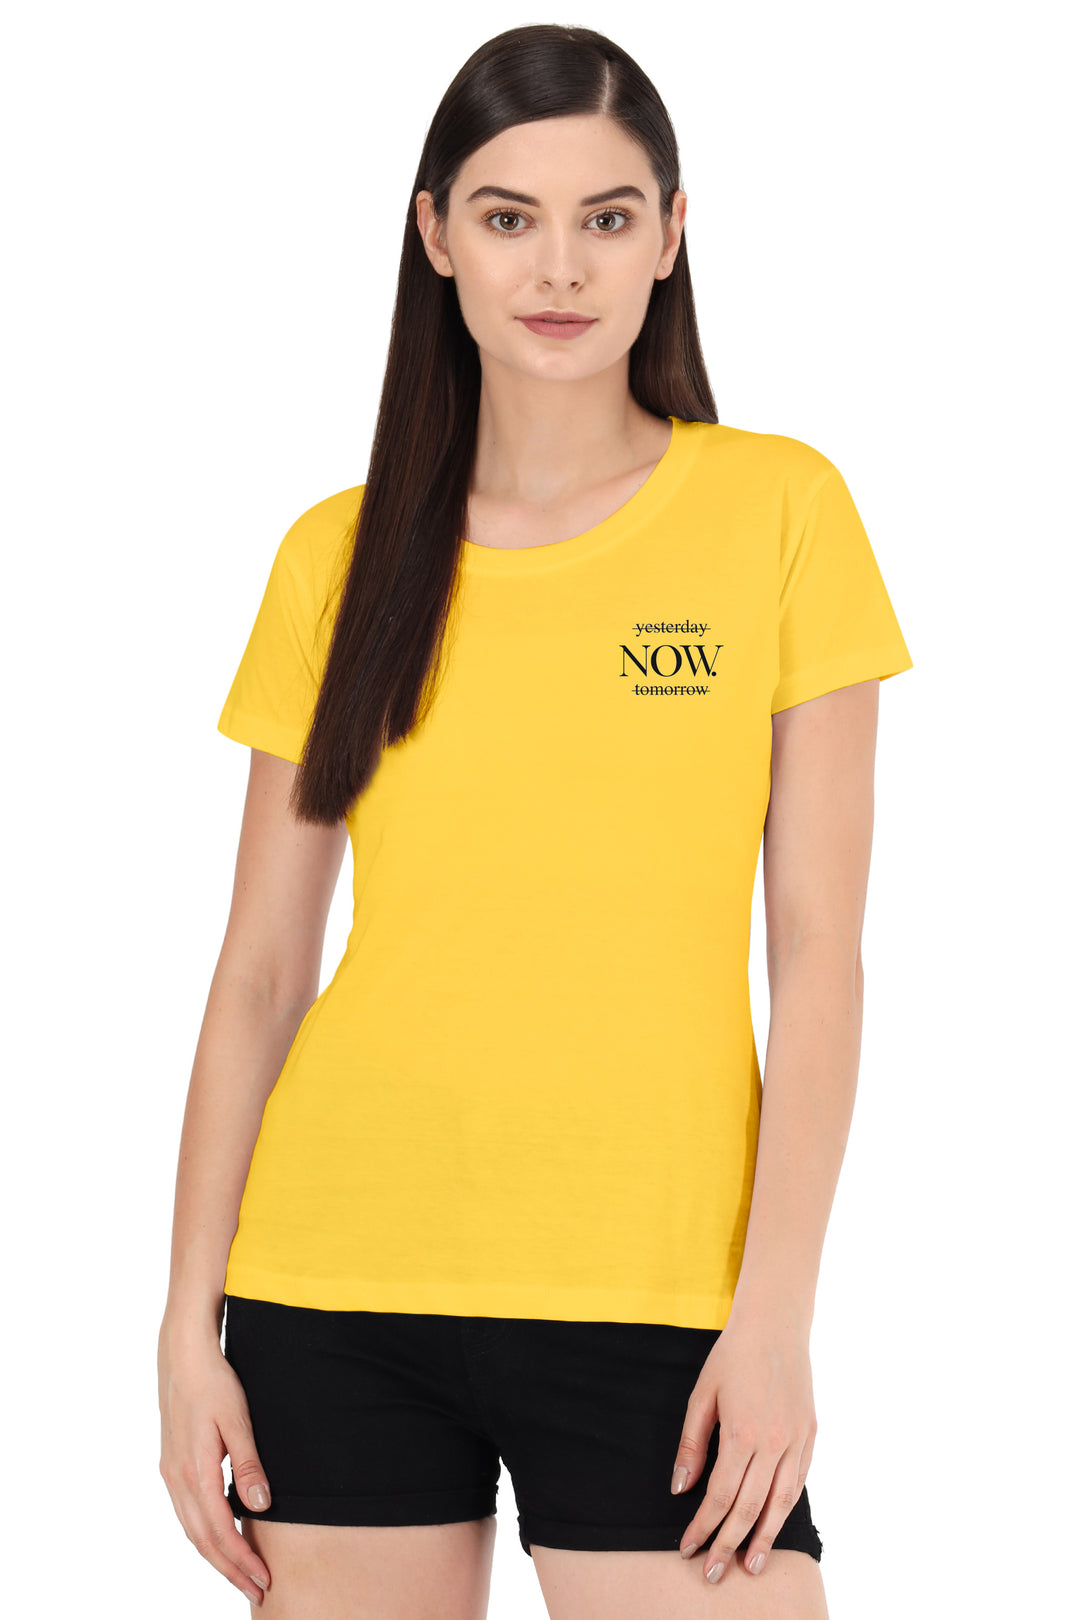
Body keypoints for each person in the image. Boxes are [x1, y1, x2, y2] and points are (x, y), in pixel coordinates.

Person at [157, 22, 912, 1620]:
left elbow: (821, 959)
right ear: (435, 235)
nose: (559, 266)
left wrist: (776, 1315)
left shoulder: (780, 510)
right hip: (333, 1283)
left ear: (672, 234)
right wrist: (184, 1322)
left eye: (607, 217)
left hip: (665, 1301)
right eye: (509, 217)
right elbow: (259, 973)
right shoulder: (335, 555)